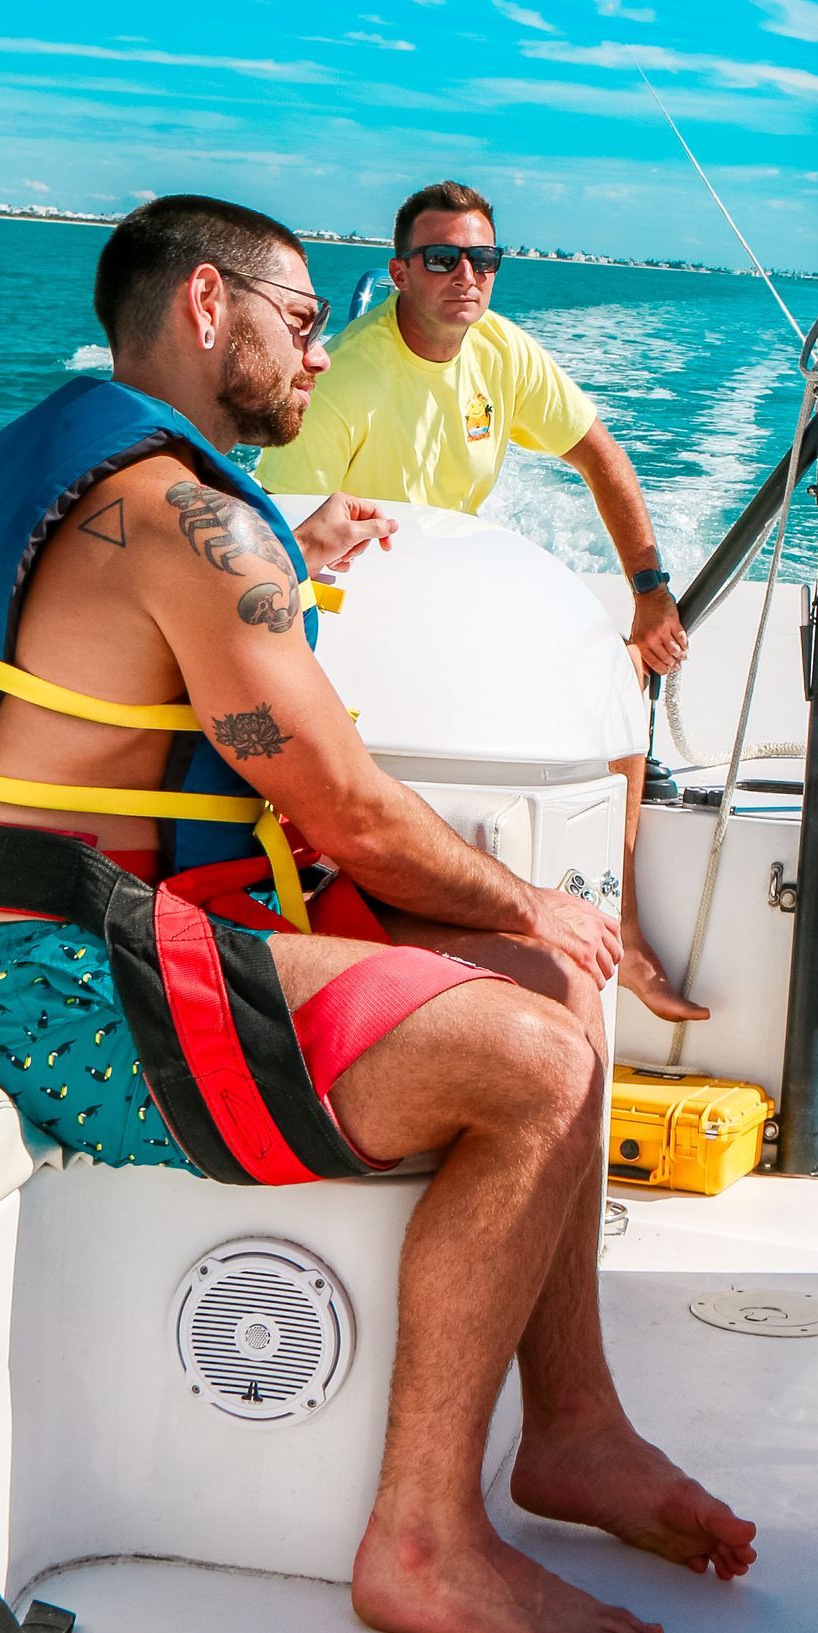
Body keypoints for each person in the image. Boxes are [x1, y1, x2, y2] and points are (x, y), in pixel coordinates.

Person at [0, 194, 754, 1633]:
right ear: (203, 308)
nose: (321, 351)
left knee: (557, 980)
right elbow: (350, 812)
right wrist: (529, 894)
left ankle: (572, 1428)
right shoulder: (187, 516)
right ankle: (421, 1539)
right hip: (59, 985)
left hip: (116, 940)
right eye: (302, 320)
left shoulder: (119, 479)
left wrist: (539, 933)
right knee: (533, 1052)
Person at [258, 179, 706, 1023]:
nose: (466, 274)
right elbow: (284, 542)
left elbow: (602, 456)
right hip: (357, 621)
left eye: (483, 258)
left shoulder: (502, 352)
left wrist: (651, 594)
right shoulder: (345, 382)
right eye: (441, 258)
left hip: (452, 609)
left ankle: (626, 931)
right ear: (400, 271)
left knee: (614, 678)